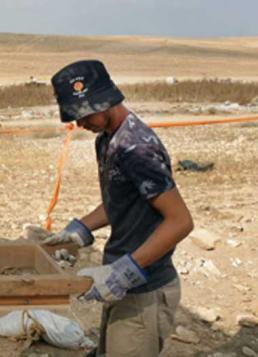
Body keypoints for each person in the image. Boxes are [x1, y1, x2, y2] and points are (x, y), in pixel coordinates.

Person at [43, 60, 194, 356]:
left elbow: (180, 222)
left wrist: (125, 271)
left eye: (84, 114)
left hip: (145, 290)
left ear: (106, 100)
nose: (80, 124)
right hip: (124, 284)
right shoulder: (107, 141)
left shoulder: (137, 148)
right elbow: (121, 202)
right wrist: (81, 229)